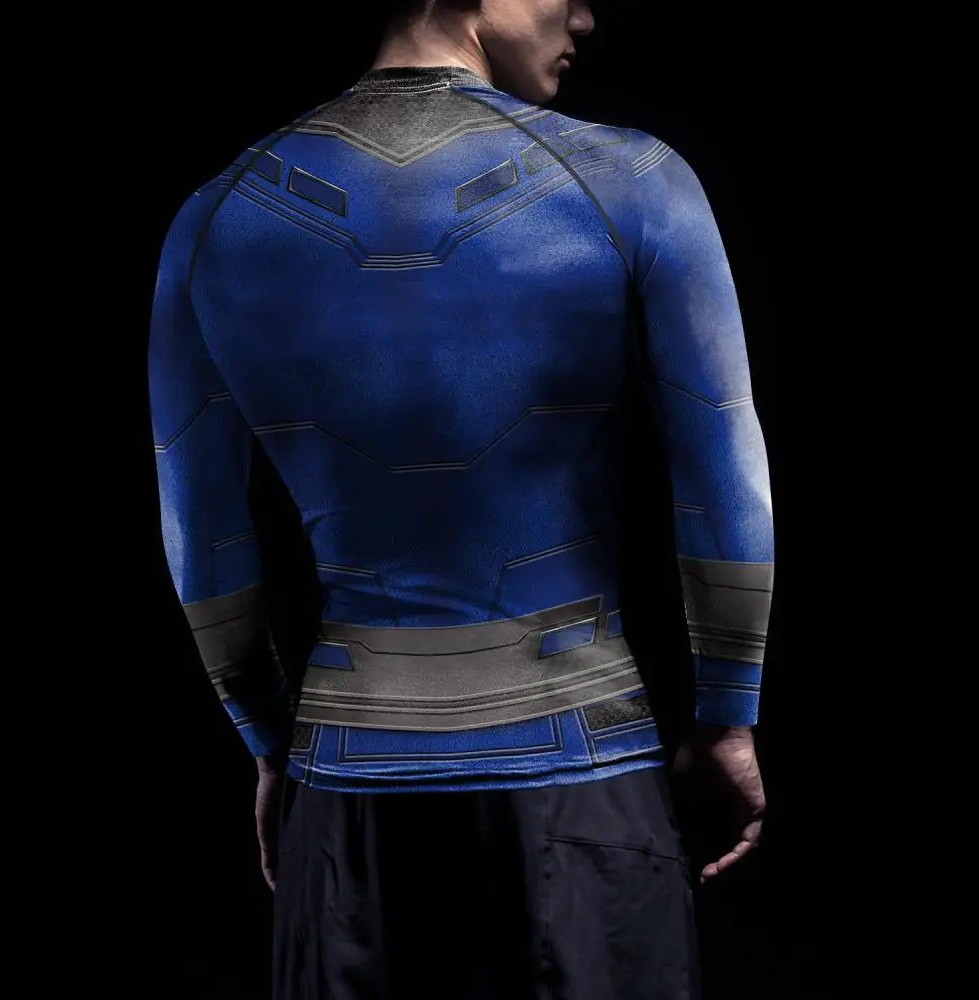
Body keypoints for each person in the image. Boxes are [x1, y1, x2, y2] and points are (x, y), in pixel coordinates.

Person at [147, 1, 774, 996]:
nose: (585, 15)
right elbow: (722, 472)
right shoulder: (632, 181)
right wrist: (727, 716)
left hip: (347, 797)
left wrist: (265, 743)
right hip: (582, 782)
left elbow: (202, 531)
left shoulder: (215, 216)